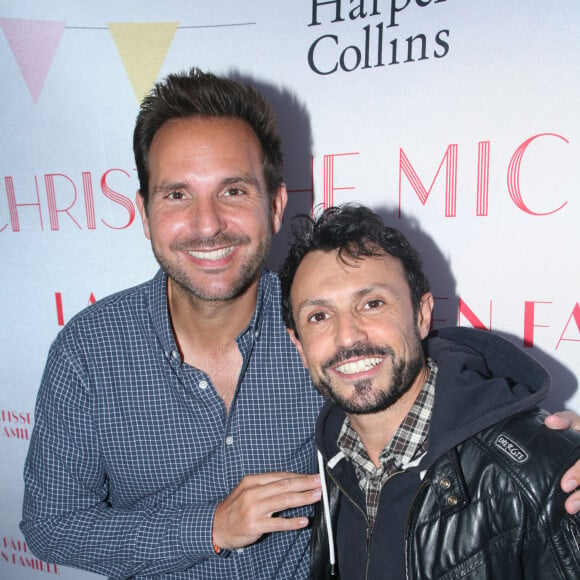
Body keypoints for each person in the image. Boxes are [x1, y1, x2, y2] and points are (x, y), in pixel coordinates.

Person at [19, 69, 580, 579]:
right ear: (144, 213)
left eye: (233, 191)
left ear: (276, 204)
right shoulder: (89, 350)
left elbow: (432, 380)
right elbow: (51, 526)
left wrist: (545, 451)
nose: (207, 224)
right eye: (177, 195)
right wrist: (209, 528)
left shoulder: (318, 329)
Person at [279, 203, 580, 579]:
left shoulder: (543, 474)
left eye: (372, 304)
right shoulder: (326, 462)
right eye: (319, 316)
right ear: (298, 345)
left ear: (421, 316)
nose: (348, 336)